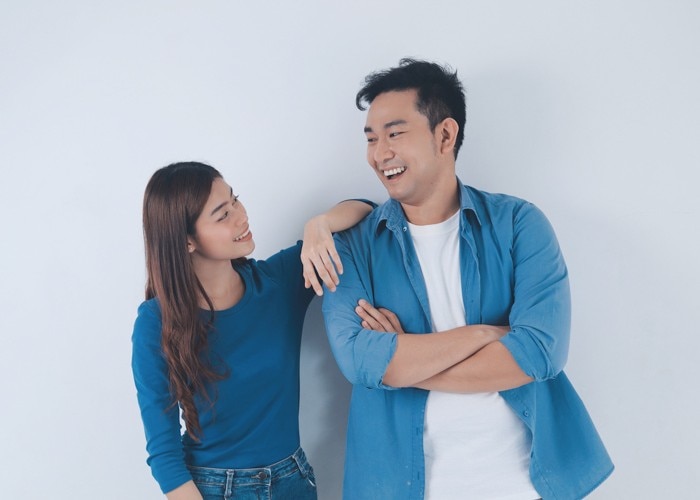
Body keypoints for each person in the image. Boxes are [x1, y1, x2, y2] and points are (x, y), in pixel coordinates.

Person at [322, 59, 614, 499]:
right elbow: (361, 362)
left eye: (395, 134)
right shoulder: (350, 245)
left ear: (445, 135)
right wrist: (484, 335)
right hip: (400, 488)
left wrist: (403, 363)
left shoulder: (519, 224)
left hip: (520, 484)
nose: (380, 153)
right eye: (371, 138)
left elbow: (540, 353)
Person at [132, 161, 373, 500]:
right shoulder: (157, 321)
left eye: (235, 200)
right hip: (213, 489)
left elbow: (365, 209)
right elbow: (164, 455)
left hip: (295, 482)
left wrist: (319, 224)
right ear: (186, 240)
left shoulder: (279, 281)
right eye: (222, 215)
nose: (241, 216)